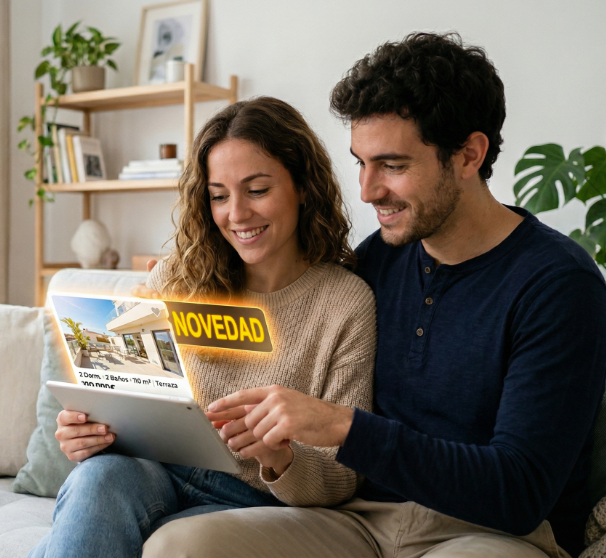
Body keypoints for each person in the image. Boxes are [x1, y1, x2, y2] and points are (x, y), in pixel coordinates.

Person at [141, 32, 606, 558]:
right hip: (360, 525)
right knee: (180, 546)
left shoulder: (557, 285)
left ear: (468, 155)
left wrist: (344, 427)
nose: (366, 190)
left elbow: (520, 492)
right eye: (361, 163)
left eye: (392, 165)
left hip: (489, 533)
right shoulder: (380, 259)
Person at [27, 96, 377, 558]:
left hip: (256, 501)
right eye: (218, 195)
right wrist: (88, 432)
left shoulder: (346, 303)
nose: (236, 214)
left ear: (303, 187)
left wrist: (278, 455)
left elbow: (343, 475)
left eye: (257, 190)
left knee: (169, 545)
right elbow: (127, 397)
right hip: (153, 472)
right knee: (97, 477)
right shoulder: (174, 277)